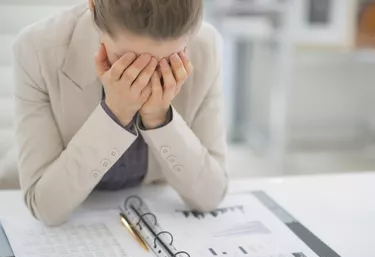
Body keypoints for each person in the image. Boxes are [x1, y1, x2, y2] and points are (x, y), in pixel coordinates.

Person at [13, 0, 228, 226]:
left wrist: (159, 118)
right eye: (128, 62)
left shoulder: (205, 45)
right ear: (94, 8)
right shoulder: (37, 49)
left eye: (166, 62)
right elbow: (45, 207)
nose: (145, 77)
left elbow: (210, 195)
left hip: (151, 209)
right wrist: (115, 113)